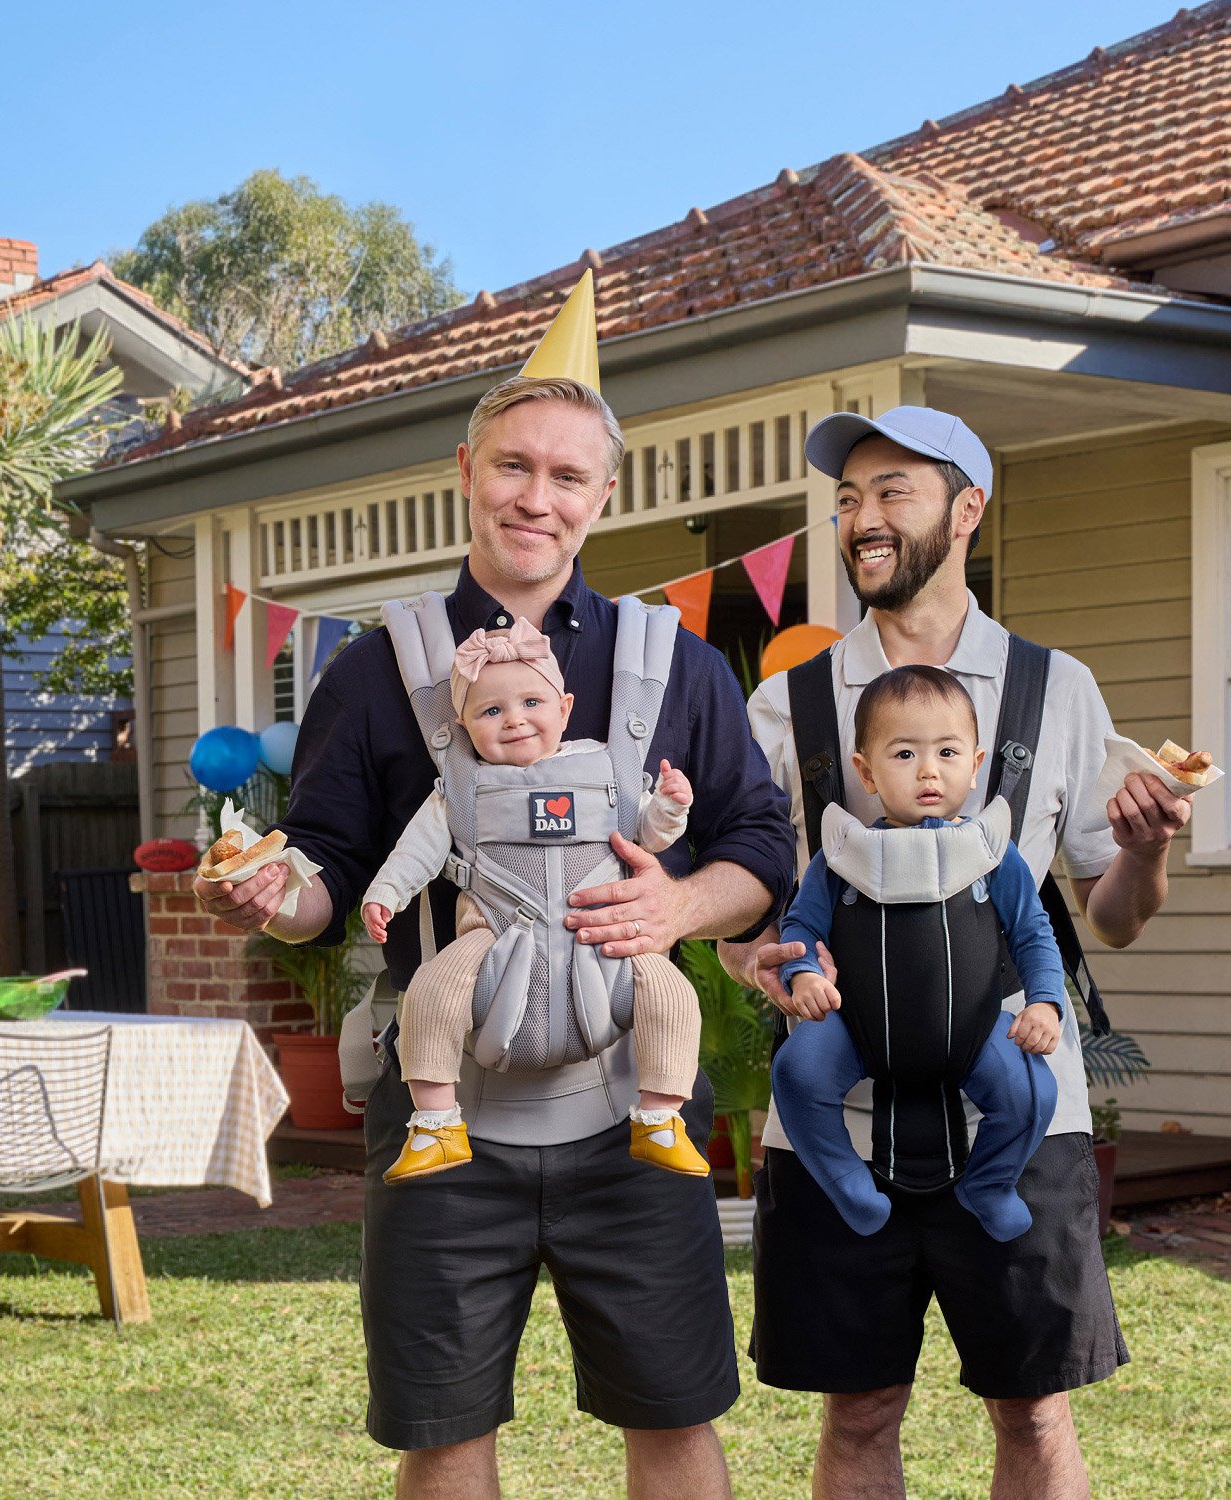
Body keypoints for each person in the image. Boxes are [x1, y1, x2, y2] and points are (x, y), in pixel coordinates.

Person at [196, 273, 793, 1499]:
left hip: (638, 1112)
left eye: (567, 476)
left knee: (674, 1418)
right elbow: (328, 872)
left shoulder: (670, 661)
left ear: (603, 496)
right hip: (441, 1118)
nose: (537, 496)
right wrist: (274, 892)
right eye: (514, 465)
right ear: (465, 467)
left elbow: (759, 849)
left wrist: (680, 906)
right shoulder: (373, 671)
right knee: (443, 1429)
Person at [730, 404, 1191, 1500]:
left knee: (1033, 1412)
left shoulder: (1053, 688)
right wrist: (760, 963)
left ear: (966, 508)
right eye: (846, 500)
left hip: (1021, 1111)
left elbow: (1114, 914)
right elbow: (749, 919)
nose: (861, 520)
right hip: (831, 1128)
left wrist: (1144, 857)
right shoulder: (782, 705)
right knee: (858, 1413)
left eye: (892, 492)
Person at [361, 615, 708, 1183]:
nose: (514, 720)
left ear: (565, 709)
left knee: (671, 994)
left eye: (531, 702)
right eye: (491, 711)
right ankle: (435, 1122)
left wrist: (670, 805)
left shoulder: (605, 770)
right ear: (464, 725)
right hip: (493, 944)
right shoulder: (463, 789)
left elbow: (646, 835)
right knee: (429, 992)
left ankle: (661, 1119)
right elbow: (416, 852)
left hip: (602, 948)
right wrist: (386, 894)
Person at [771, 664, 1063, 1243]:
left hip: (975, 1031)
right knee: (797, 1072)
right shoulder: (841, 857)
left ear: (976, 765)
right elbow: (800, 926)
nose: (929, 770)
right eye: (904, 754)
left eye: (948, 752)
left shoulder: (993, 856)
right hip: (857, 1029)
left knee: (1034, 1091)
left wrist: (1046, 1003)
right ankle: (845, 1181)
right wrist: (803, 973)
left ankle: (990, 1184)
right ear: (866, 771)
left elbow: (1034, 933)